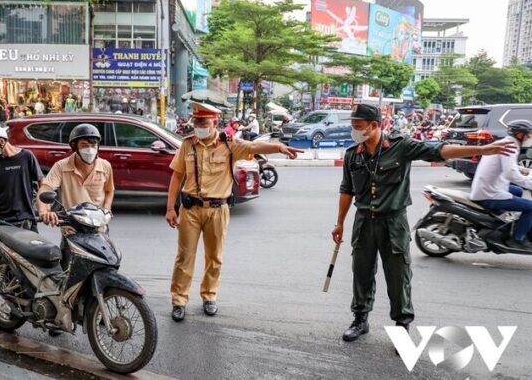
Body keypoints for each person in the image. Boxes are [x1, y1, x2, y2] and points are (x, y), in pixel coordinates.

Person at [331, 104, 517, 344]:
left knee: (398, 275)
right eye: (353, 126)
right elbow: (346, 190)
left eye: (358, 126)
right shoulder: (352, 155)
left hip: (393, 221)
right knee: (362, 272)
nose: (354, 130)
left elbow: (440, 150)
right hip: (364, 221)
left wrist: (483, 149)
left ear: (375, 125)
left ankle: (401, 325)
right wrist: (339, 223)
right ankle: (360, 319)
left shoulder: (401, 146)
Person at [165, 102, 302, 322]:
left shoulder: (229, 145)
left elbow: (253, 148)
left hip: (218, 210)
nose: (199, 125)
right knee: (184, 257)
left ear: (215, 123)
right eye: (197, 121)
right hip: (190, 209)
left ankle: (209, 296)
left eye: (204, 121)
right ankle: (179, 300)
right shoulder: (187, 145)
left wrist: (279, 148)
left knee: (214, 257)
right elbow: (176, 175)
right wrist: (171, 207)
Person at [37, 124, 114, 268]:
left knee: (106, 266)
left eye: (93, 144)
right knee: (69, 272)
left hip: (99, 229)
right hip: (72, 230)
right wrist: (44, 212)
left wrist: (107, 209)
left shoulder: (105, 167)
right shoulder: (61, 166)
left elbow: (109, 191)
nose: (90, 149)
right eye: (85, 145)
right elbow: (45, 189)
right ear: (74, 146)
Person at [470, 120, 532, 249]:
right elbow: (510, 174)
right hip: (489, 193)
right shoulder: (510, 146)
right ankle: (517, 239)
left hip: (488, 186)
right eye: (529, 134)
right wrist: (529, 183)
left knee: (518, 192)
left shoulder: (505, 142)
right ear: (520, 134)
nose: (530, 138)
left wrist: (524, 170)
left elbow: (508, 165)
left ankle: (501, 222)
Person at [0, 126, 44, 231]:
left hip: (27, 217)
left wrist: (42, 208)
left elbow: (42, 183)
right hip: (3, 219)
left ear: (1, 141)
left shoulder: (27, 156)